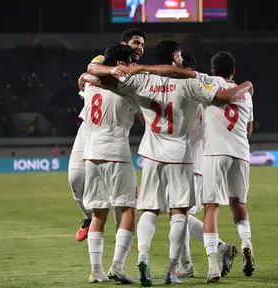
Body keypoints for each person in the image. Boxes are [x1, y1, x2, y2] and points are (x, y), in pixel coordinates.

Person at [81, 40, 253, 286]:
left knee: (148, 210)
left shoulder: (141, 81)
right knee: (179, 213)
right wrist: (248, 85)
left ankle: (142, 254)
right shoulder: (191, 83)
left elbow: (99, 79)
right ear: (175, 57)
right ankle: (173, 271)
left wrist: (95, 75)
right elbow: (224, 96)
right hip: (181, 156)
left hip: (150, 153)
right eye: (180, 55)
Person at [70, 28, 146, 242]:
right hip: (88, 129)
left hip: (114, 130)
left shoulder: (137, 71)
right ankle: (87, 217)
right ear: (124, 44)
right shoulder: (106, 59)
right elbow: (90, 68)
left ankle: (118, 243)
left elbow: (86, 76)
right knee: (75, 178)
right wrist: (109, 72)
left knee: (118, 197)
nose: (140, 47)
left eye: (142, 44)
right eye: (136, 42)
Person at [176, 52, 237, 279]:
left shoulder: (187, 92)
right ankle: (188, 263)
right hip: (195, 160)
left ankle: (216, 249)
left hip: (191, 161)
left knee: (179, 214)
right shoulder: (204, 90)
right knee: (178, 213)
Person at [81, 43, 140, 284]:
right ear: (120, 64)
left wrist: (89, 74)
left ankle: (96, 271)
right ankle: (118, 266)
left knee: (99, 213)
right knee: (128, 209)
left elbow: (84, 77)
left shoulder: (90, 84)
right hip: (116, 152)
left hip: (91, 154)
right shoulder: (127, 88)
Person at [201, 51, 255, 283]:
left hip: (215, 152)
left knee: (211, 207)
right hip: (240, 153)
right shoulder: (247, 96)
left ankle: (213, 264)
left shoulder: (209, 83)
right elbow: (249, 129)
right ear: (233, 71)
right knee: (238, 204)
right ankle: (246, 243)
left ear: (213, 70)